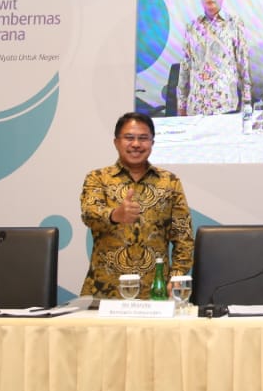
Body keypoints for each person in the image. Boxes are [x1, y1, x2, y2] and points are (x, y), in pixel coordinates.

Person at [79, 112, 194, 298]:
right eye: (129, 137)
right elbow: (89, 214)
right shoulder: (97, 178)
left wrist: (177, 275)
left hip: (156, 291)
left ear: (152, 143)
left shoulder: (169, 182)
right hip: (105, 291)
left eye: (143, 138)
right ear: (116, 142)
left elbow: (183, 235)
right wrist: (115, 215)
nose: (136, 144)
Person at [177, 0, 251, 116]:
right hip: (196, 107)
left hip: (226, 106)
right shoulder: (192, 27)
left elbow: (244, 65)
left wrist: (247, 102)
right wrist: (181, 104)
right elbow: (185, 67)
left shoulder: (234, 24)